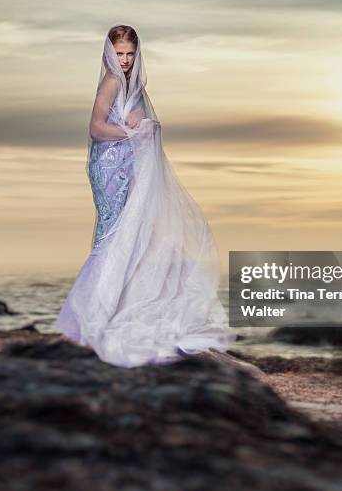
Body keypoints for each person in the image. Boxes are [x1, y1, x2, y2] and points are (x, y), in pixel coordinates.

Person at [55, 24, 235, 367]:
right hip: (108, 167)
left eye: (129, 54)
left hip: (125, 162)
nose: (123, 61)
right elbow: (96, 128)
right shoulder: (111, 81)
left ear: (137, 54)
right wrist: (133, 131)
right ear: (109, 53)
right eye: (118, 53)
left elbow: (129, 123)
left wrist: (139, 129)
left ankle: (111, 313)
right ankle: (94, 317)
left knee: (132, 233)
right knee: (113, 235)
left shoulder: (132, 84)